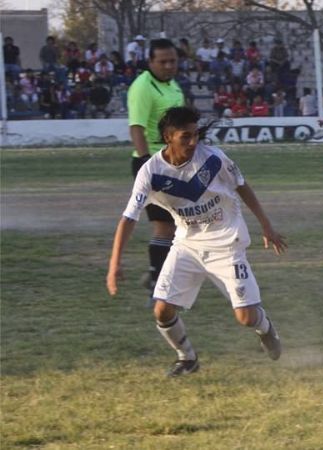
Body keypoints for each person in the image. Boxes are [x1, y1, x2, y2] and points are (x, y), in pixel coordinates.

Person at [106, 106, 286, 376]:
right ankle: (187, 358)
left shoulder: (213, 159)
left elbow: (242, 186)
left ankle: (266, 329)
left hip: (227, 244)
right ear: (168, 137)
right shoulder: (150, 172)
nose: (193, 142)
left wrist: (267, 226)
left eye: (195, 135)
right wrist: (114, 265)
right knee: (162, 310)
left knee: (246, 318)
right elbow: (128, 218)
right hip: (187, 245)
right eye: (185, 137)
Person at [127, 38, 186, 300]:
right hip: (153, 162)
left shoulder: (173, 85)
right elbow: (136, 127)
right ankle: (156, 282)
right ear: (150, 62)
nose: (168, 66)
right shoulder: (142, 87)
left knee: (177, 223)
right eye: (162, 61)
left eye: (172, 60)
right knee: (164, 225)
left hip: (175, 162)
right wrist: (145, 163)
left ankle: (158, 276)